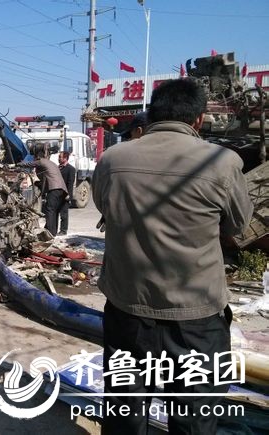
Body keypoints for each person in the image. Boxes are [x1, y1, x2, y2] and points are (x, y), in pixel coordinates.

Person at [92, 78, 252, 434]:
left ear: (152, 113)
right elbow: (239, 225)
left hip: (128, 310)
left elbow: (104, 206)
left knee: (124, 411)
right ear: (199, 119)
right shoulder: (222, 162)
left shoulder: (113, 159)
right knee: (194, 417)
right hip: (196, 317)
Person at [13, 143, 68, 236]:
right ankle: (53, 233)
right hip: (62, 190)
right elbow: (46, 179)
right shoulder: (51, 163)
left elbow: (29, 164)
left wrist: (16, 164)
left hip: (54, 189)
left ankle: (49, 233)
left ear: (37, 155)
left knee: (49, 210)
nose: (33, 158)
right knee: (54, 211)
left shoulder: (41, 161)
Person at [57, 151, 76, 236]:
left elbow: (70, 183)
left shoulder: (70, 169)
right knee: (55, 212)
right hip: (57, 193)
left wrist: (69, 195)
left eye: (60, 157)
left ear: (65, 158)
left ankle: (63, 230)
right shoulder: (58, 168)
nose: (59, 159)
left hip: (65, 194)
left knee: (63, 214)